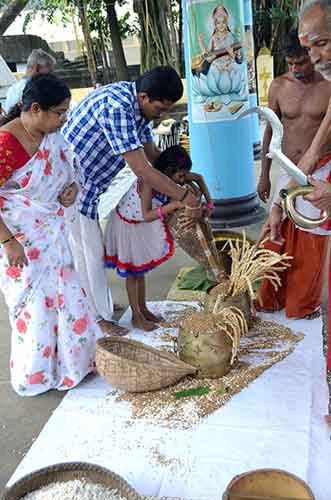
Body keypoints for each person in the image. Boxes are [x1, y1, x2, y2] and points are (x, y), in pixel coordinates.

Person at [62, 66, 200, 336]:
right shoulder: (118, 107)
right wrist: (184, 196)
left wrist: (184, 175)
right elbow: (143, 169)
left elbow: (154, 157)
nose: (163, 115)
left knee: (92, 255)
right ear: (145, 97)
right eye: (161, 109)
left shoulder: (137, 105)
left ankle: (98, 309)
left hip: (89, 191)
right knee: (87, 256)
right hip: (71, 191)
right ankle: (96, 321)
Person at [0, 74, 102, 397]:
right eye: (59, 113)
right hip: (22, 241)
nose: (64, 119)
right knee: (36, 311)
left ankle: (73, 365)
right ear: (35, 109)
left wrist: (71, 189)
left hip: (52, 236)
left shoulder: (51, 136)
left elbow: (68, 170)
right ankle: (37, 374)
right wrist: (8, 242)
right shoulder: (6, 144)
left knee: (69, 298)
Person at [256, 29, 331, 320]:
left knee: (310, 238)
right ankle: (272, 299)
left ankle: (304, 302)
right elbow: (270, 130)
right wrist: (264, 174)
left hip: (320, 170)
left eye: (300, 63)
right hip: (286, 168)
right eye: (290, 63)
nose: (295, 69)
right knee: (274, 234)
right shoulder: (278, 87)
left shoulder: (327, 87)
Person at [104, 145, 213, 331]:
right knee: (133, 273)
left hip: (139, 224)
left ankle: (144, 309)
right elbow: (146, 214)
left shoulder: (176, 176)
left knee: (141, 272)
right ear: (168, 171)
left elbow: (199, 178)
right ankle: (136, 317)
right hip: (128, 225)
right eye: (179, 177)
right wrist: (173, 206)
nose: (182, 181)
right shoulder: (149, 180)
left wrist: (209, 203)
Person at [4, 49, 55, 114]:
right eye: (50, 71)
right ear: (37, 68)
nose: (52, 76)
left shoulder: (12, 90)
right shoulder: (35, 91)